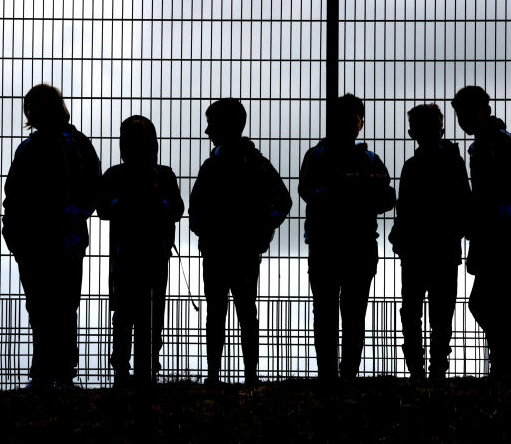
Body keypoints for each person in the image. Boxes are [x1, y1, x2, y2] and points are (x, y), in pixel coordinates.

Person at [2, 84, 101, 390]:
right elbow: (14, 194)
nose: (33, 112)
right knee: (49, 307)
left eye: (38, 105)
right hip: (43, 240)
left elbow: (91, 189)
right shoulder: (69, 143)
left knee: (53, 306)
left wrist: (15, 231)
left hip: (51, 240)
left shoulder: (54, 145)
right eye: (30, 106)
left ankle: (54, 373)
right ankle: (53, 373)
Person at [189, 99, 292, 387]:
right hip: (243, 250)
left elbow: (195, 209)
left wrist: (204, 231)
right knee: (246, 312)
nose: (207, 131)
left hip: (218, 250)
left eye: (212, 124)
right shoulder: (255, 164)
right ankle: (249, 375)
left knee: (218, 312)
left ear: (226, 127)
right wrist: (262, 232)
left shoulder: (214, 165)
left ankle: (214, 375)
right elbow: (283, 201)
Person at [299, 93, 395, 381]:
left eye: (352, 120)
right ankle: (342, 373)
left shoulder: (317, 156)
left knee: (332, 312)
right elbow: (386, 197)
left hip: (333, 243)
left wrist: (335, 194)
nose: (350, 126)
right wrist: (361, 195)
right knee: (348, 313)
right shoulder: (369, 160)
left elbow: (307, 192)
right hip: (355, 243)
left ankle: (334, 373)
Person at [97, 116, 184, 387]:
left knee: (144, 314)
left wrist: (154, 206)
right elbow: (104, 209)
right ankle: (127, 369)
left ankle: (140, 369)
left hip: (147, 255)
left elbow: (177, 209)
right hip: (132, 256)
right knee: (129, 314)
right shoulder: (139, 175)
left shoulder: (155, 175)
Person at [452, 85, 511, 377]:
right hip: (495, 232)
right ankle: (506, 365)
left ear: (482, 110)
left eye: (464, 112)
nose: (461, 119)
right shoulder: (487, 142)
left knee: (485, 303)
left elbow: (509, 189)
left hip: (500, 235)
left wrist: (496, 225)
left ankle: (505, 363)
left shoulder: (497, 142)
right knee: (493, 304)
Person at [389, 103, 471, 380]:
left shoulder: (411, 166)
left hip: (415, 248)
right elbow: (464, 203)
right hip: (444, 247)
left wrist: (400, 237)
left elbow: (404, 207)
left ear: (412, 133)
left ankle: (417, 367)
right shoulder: (454, 162)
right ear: (442, 128)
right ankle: (437, 366)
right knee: (441, 310)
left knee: (412, 309)